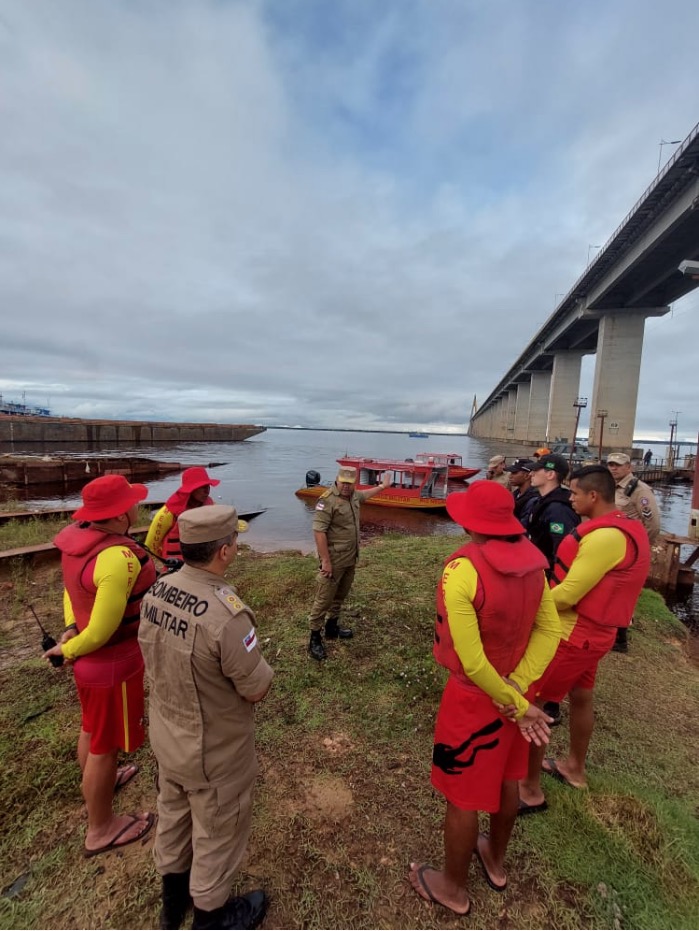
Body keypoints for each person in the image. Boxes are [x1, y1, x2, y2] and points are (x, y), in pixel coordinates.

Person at [408, 482, 560, 916]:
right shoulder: (536, 564)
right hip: (519, 693)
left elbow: (472, 662)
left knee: (463, 794)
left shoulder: (462, 570)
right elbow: (550, 629)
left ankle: (452, 888)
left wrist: (507, 695)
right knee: (508, 777)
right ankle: (494, 858)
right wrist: (520, 691)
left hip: (476, 699)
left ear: (471, 524)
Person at [139, 505, 273, 931]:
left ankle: (171, 907)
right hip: (214, 754)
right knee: (216, 834)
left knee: (174, 819)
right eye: (233, 540)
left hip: (167, 739)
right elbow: (257, 688)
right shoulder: (226, 615)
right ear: (225, 552)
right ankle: (211, 919)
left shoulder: (156, 592)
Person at [518, 466, 650, 811]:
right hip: (597, 635)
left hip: (575, 634)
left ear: (593, 496)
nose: (570, 498)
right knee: (581, 696)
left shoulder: (606, 538)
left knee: (537, 703)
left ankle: (529, 790)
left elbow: (569, 593)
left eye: (575, 493)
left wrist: (530, 604)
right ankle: (574, 768)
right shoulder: (626, 528)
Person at [45, 474, 156, 857]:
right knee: (105, 747)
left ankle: (98, 786)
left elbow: (69, 591)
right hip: (112, 665)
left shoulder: (77, 541)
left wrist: (69, 630)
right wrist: (69, 648)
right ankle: (101, 828)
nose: (136, 507)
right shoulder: (117, 557)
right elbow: (106, 629)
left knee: (92, 730)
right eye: (131, 503)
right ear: (120, 514)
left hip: (89, 665)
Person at [308, 465, 392, 661]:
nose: (346, 486)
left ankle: (331, 627)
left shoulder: (354, 496)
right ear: (337, 479)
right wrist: (325, 561)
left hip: (350, 558)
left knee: (340, 595)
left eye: (350, 483)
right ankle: (314, 638)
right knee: (323, 599)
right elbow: (319, 532)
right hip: (334, 560)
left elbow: (366, 495)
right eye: (343, 482)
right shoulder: (327, 500)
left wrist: (382, 486)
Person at [606, 452, 661, 653]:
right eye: (611, 464)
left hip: (629, 551)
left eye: (618, 465)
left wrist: (638, 548)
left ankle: (620, 640)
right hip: (613, 548)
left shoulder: (639, 490)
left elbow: (652, 524)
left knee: (622, 593)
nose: (614, 468)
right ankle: (611, 632)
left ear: (629, 467)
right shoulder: (610, 486)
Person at [145, 466, 221, 562]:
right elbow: (151, 545)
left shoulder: (211, 506)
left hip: (202, 562)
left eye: (207, 486)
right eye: (202, 487)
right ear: (191, 489)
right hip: (176, 564)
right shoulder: (168, 513)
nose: (207, 491)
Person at [527, 453, 580, 576]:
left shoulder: (558, 509)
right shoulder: (542, 501)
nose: (531, 474)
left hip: (548, 575)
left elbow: (562, 549)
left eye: (536, 470)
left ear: (550, 474)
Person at [504, 458, 539, 528]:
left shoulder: (534, 499)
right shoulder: (516, 494)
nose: (510, 476)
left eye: (514, 473)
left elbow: (524, 525)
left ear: (526, 476)